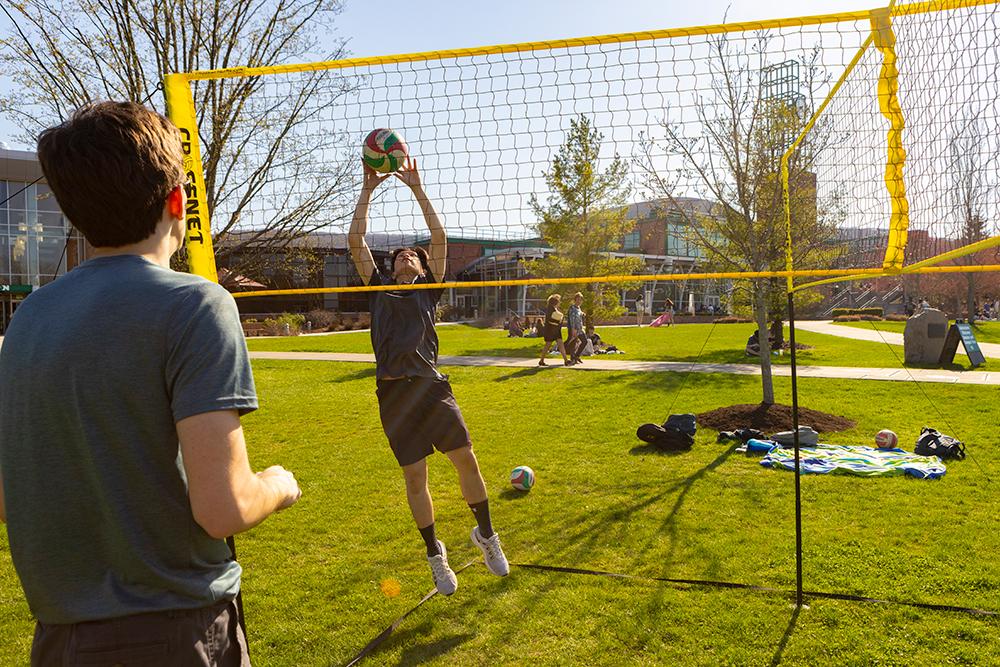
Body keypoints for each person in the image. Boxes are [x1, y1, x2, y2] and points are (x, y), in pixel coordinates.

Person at [0, 101, 302, 665]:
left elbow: (8, 495)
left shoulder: (30, 318)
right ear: (177, 204)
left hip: (59, 639)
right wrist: (279, 484)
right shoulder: (197, 304)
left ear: (73, 215)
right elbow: (224, 508)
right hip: (175, 634)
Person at [348, 159, 509, 596]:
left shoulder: (427, 289)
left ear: (423, 268)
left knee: (466, 460)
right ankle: (435, 554)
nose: (406, 255)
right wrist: (367, 190)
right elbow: (354, 238)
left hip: (431, 387)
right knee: (415, 478)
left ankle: (486, 536)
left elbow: (437, 237)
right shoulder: (377, 285)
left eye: (413, 255)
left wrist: (417, 188)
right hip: (393, 394)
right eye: (400, 253)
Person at [538, 293, 571, 366]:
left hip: (556, 330)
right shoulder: (550, 309)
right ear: (555, 302)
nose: (559, 303)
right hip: (550, 330)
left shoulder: (554, 309)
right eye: (558, 301)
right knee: (548, 345)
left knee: (560, 344)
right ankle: (541, 360)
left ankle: (566, 360)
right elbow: (550, 320)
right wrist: (559, 320)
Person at [565, 292, 586, 365]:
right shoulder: (572, 308)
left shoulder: (579, 308)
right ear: (575, 300)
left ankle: (577, 356)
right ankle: (573, 358)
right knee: (573, 344)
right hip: (574, 329)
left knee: (584, 341)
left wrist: (582, 314)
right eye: (578, 299)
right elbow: (572, 319)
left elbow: (578, 315)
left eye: (580, 300)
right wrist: (573, 329)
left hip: (580, 329)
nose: (579, 301)